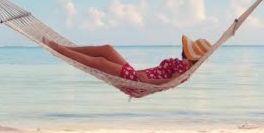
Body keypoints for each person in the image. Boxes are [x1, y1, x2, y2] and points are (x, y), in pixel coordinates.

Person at [41, 35, 212, 85]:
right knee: (107, 49)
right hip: (135, 75)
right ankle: (65, 49)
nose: (182, 54)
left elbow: (169, 82)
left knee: (100, 62)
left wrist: (148, 82)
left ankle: (59, 49)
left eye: (185, 53)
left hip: (138, 80)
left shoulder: (184, 73)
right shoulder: (183, 66)